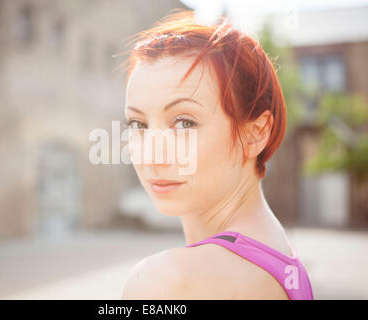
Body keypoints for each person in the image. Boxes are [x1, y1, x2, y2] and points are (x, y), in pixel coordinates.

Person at [121, 10, 313, 299]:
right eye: (138, 124)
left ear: (256, 133)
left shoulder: (167, 282)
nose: (151, 155)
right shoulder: (286, 265)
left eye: (184, 123)